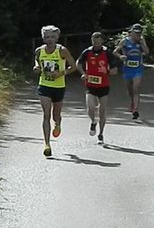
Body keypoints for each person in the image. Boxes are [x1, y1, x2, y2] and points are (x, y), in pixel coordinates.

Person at [33, 25, 76, 157]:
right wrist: (36, 67)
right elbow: (37, 62)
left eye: (52, 37)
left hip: (58, 86)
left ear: (57, 37)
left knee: (55, 115)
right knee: (46, 115)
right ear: (43, 38)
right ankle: (47, 144)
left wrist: (61, 73)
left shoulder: (62, 50)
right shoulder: (40, 51)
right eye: (47, 37)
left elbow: (73, 66)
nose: (49, 39)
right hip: (44, 85)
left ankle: (57, 124)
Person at [75, 32, 119, 144]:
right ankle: (93, 122)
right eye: (94, 42)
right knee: (90, 108)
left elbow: (115, 70)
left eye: (98, 42)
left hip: (103, 86)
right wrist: (83, 73)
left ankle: (101, 133)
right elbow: (78, 63)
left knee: (102, 110)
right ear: (92, 41)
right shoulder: (87, 52)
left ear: (102, 42)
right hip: (90, 85)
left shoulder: (107, 53)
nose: (96, 44)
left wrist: (108, 71)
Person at [113, 23, 149, 119]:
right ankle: (133, 101)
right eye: (135, 33)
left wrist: (142, 43)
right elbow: (115, 51)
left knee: (136, 88)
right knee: (130, 89)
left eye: (139, 33)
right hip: (127, 68)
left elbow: (147, 52)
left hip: (138, 68)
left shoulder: (141, 41)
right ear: (131, 32)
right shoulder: (125, 41)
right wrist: (121, 56)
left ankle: (135, 110)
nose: (137, 35)